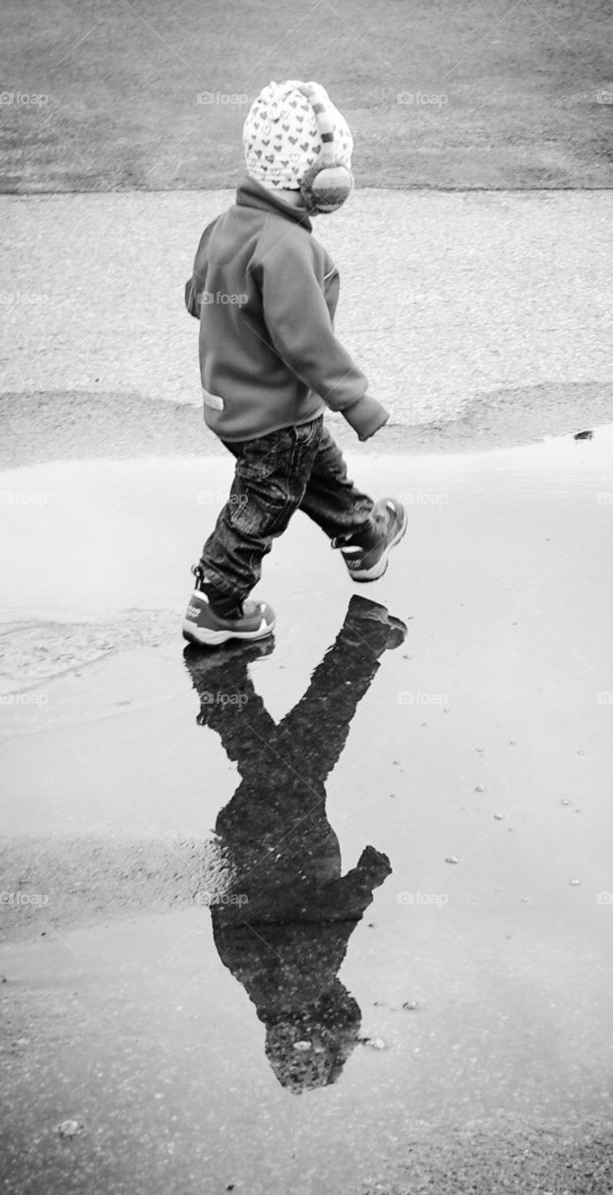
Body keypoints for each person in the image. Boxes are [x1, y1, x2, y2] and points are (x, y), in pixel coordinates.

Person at [182, 79, 407, 646]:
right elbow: (306, 342)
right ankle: (218, 603)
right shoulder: (288, 248)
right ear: (320, 181)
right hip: (273, 416)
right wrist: (355, 400)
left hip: (236, 401)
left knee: (317, 473)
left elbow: (195, 297)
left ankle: (366, 536)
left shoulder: (223, 227)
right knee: (264, 500)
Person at [186, 596, 406, 1090]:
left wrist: (370, 877)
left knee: (322, 727)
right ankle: (216, 672)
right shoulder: (257, 987)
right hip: (250, 837)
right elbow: (227, 912)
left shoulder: (303, 985)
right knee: (276, 751)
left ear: (322, 1026)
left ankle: (363, 636)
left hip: (287, 839)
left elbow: (334, 917)